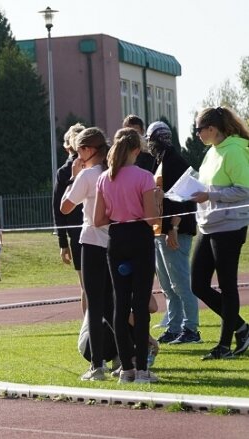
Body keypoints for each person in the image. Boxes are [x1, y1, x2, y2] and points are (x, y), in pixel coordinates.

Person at [94, 127, 161, 384]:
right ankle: (142, 369)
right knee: (140, 303)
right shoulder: (145, 177)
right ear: (136, 150)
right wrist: (157, 200)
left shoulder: (104, 178)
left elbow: (99, 218)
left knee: (120, 304)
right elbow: (152, 218)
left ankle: (126, 369)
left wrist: (118, 210)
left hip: (117, 239)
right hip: (139, 238)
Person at [190, 106, 249, 360]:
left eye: (199, 130)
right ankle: (241, 328)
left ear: (212, 129)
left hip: (229, 227)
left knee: (227, 285)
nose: (197, 134)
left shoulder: (234, 151)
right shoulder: (211, 152)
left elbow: (245, 190)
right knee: (198, 284)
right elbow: (207, 184)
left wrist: (210, 195)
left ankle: (225, 346)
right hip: (208, 224)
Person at [60, 127, 114, 380]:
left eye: (80, 149)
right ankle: (125, 357)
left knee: (95, 303)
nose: (77, 155)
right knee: (113, 301)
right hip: (115, 241)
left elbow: (65, 206)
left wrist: (73, 177)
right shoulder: (113, 171)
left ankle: (97, 365)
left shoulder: (89, 174)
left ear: (89, 150)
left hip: (92, 240)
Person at [145, 121, 201, 345]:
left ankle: (191, 329)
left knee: (180, 283)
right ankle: (174, 326)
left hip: (174, 230)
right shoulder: (159, 161)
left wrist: (173, 229)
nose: (149, 145)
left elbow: (181, 200)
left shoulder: (175, 162)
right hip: (160, 230)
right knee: (168, 285)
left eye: (150, 140)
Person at [53, 123, 87, 313]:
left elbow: (58, 209)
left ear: (67, 147)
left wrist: (62, 242)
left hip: (78, 235)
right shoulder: (98, 166)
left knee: (85, 287)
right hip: (96, 231)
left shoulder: (64, 172)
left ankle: (89, 331)